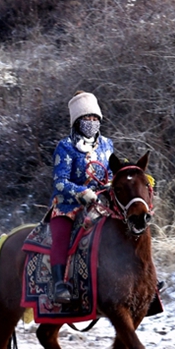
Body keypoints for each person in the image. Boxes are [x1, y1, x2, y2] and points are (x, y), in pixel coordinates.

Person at [49, 91, 113, 304]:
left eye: (95, 119)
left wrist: (111, 184)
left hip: (101, 202)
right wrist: (80, 192)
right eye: (87, 119)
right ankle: (59, 284)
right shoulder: (65, 146)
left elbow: (110, 173)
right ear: (77, 121)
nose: (92, 123)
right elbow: (60, 180)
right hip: (68, 205)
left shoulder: (106, 144)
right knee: (61, 235)